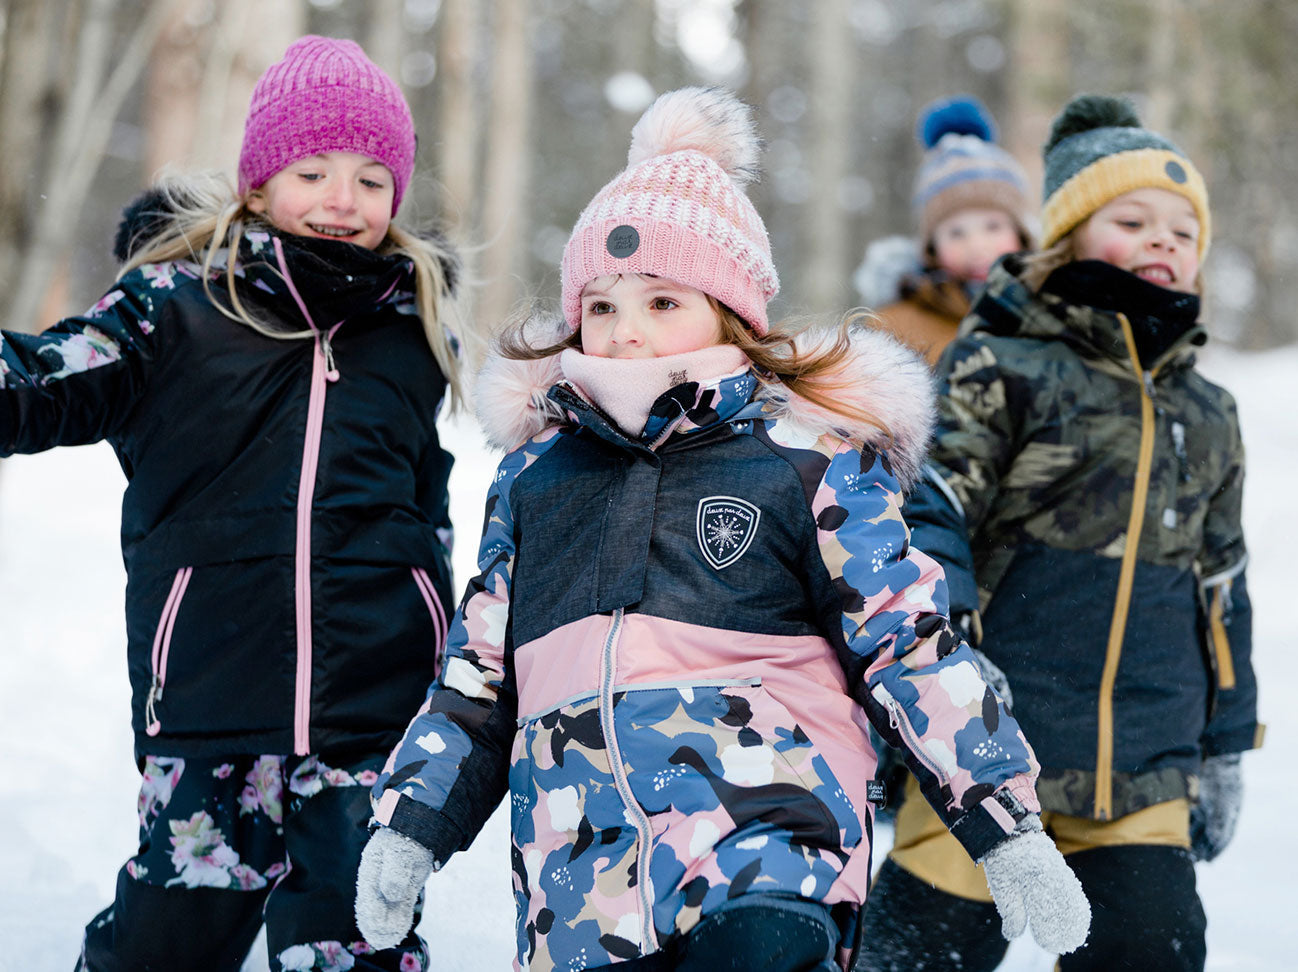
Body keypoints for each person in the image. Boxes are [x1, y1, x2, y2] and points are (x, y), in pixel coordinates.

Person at [352, 86, 1088, 972]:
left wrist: (1006, 825)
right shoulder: (536, 477)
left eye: (664, 302)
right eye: (603, 306)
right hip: (581, 872)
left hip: (771, 830)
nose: (627, 333)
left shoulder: (804, 455)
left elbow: (907, 643)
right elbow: (479, 676)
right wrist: (412, 824)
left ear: (731, 312)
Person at [0, 35, 463, 971]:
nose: (344, 199)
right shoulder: (173, 308)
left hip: (371, 703)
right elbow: (47, 379)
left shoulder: (409, 330)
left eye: (374, 180)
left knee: (356, 932)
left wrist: (440, 639)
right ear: (258, 183)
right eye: (315, 170)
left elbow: (425, 501)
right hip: (214, 687)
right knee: (179, 926)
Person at [857, 94, 1261, 972]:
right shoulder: (1002, 362)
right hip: (995, 755)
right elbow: (931, 509)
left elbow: (1222, 581)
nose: (1164, 240)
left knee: (1154, 950)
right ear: (1069, 235)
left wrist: (1227, 743)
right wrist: (947, 652)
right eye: (1133, 219)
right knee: (916, 956)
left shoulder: (1208, 410)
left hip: (1142, 774)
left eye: (1183, 231)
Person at [854, 95, 1033, 366]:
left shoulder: (1054, 311)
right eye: (956, 233)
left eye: (993, 227)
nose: (977, 245)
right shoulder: (894, 329)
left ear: (1022, 233)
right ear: (931, 248)